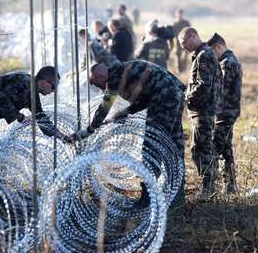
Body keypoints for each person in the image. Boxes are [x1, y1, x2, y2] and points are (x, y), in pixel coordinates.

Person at [66, 61, 186, 206]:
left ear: (101, 76)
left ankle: (149, 194)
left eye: (94, 82)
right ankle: (178, 192)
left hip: (164, 98)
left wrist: (90, 130)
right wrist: (123, 114)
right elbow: (144, 97)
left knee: (153, 144)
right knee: (173, 143)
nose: (95, 86)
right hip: (174, 94)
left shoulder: (115, 78)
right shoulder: (123, 70)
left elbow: (104, 106)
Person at [0, 67, 65, 147]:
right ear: (44, 82)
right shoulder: (24, 82)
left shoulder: (33, 94)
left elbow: (41, 118)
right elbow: (1, 98)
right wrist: (21, 117)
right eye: (53, 86)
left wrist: (62, 137)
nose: (53, 91)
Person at [180, 27, 222, 200]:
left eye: (184, 42)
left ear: (193, 36)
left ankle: (208, 189)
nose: (183, 47)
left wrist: (186, 98)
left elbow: (204, 85)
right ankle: (209, 186)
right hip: (201, 110)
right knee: (202, 148)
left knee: (201, 149)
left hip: (203, 110)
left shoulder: (204, 55)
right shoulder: (201, 54)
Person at [207, 33, 242, 194]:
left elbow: (221, 89)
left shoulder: (227, 63)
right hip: (228, 111)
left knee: (214, 147)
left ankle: (210, 187)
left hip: (226, 112)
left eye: (213, 52)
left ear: (219, 47)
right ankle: (230, 185)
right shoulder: (229, 60)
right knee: (226, 148)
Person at [170, 8, 191, 73]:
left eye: (181, 13)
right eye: (178, 13)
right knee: (177, 55)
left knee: (185, 56)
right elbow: (172, 33)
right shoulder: (174, 23)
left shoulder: (186, 23)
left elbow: (190, 30)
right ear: (176, 14)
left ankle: (184, 69)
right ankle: (179, 70)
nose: (180, 15)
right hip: (177, 41)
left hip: (186, 40)